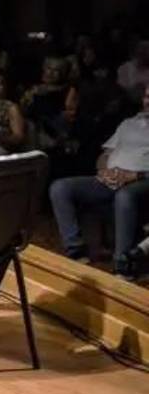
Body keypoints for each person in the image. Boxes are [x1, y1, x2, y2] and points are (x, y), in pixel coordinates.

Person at [48, 85, 149, 277]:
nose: (147, 101)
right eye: (146, 97)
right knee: (60, 188)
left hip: (141, 179)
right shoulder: (128, 123)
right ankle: (76, 251)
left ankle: (123, 264)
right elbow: (106, 153)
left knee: (124, 195)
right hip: (111, 178)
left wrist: (134, 176)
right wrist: (104, 169)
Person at [116, 40, 149, 105]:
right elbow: (122, 91)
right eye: (143, 51)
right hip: (128, 106)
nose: (146, 53)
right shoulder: (125, 68)